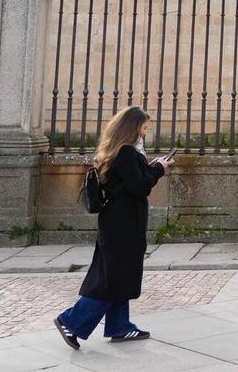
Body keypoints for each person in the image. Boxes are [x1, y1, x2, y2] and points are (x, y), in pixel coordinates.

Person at [54, 106, 173, 349]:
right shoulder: (126, 152)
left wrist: (151, 167)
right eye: (143, 128)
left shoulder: (120, 151)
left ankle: (120, 326)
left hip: (119, 223)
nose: (145, 133)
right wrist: (159, 170)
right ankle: (71, 321)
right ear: (132, 128)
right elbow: (139, 187)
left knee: (120, 276)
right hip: (122, 226)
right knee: (111, 280)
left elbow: (130, 181)